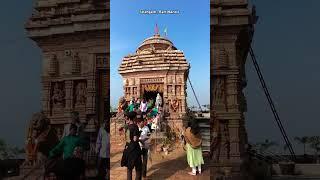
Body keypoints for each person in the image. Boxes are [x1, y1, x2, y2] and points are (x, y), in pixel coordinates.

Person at [121, 111, 142, 180]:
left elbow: (127, 138)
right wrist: (140, 137)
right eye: (136, 117)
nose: (137, 118)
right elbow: (135, 139)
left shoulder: (126, 127)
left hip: (128, 149)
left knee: (129, 169)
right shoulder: (135, 127)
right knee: (138, 169)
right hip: (135, 150)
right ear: (133, 118)